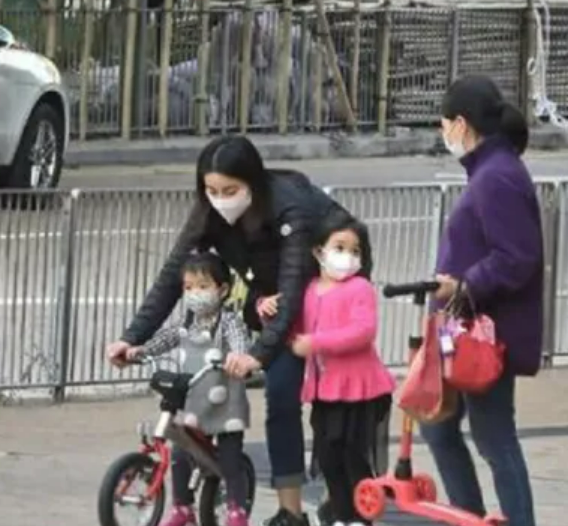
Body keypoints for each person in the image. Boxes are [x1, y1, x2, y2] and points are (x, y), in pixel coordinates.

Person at [107, 135, 367, 526]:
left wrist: (256, 355)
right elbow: (171, 277)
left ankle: (325, 502)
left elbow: (294, 288)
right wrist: (132, 338)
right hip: (271, 303)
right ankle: (287, 510)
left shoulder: (290, 209)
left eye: (230, 190)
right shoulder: (209, 213)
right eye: (211, 190)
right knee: (267, 392)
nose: (220, 198)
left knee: (312, 403)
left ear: (253, 185)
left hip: (327, 297)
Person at [424, 75, 543, 526]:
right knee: (438, 426)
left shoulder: (498, 177)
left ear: (460, 122)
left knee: (494, 437)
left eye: (444, 124)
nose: (444, 133)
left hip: (483, 332)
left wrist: (464, 284)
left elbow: (517, 256)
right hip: (463, 327)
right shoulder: (490, 171)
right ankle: (468, 516)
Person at [261, 213, 394, 526]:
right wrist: (264, 308)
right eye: (340, 247)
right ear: (319, 251)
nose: (347, 256)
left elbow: (363, 331)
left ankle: (362, 517)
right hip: (325, 390)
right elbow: (291, 325)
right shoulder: (308, 290)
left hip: (361, 390)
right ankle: (342, 515)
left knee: (354, 455)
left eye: (355, 250)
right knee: (328, 456)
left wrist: (316, 342)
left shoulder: (360, 288)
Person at [120, 252, 252, 526]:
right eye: (188, 287)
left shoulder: (228, 322)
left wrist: (238, 357)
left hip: (225, 402)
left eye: (203, 287)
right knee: (182, 451)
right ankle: (182, 507)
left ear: (222, 289)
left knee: (230, 457)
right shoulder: (188, 322)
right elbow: (168, 338)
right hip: (195, 399)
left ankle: (237, 510)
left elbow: (240, 341)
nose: (194, 294)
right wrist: (140, 351)